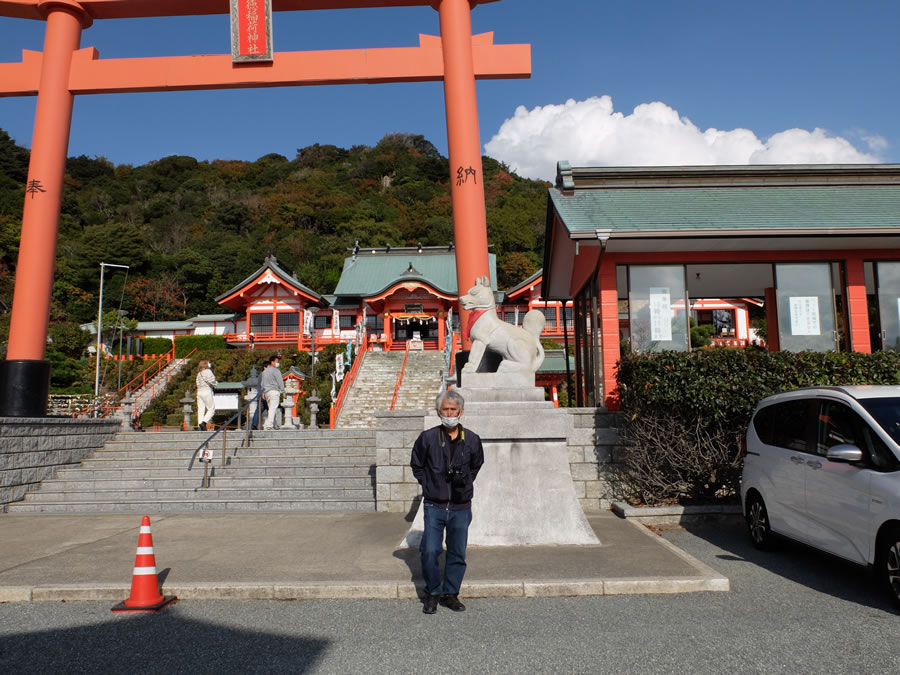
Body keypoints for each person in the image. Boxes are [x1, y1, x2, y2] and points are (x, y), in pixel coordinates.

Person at [410, 389, 484, 614]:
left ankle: (451, 593)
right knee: (430, 550)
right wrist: (430, 484)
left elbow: (476, 465)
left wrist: (464, 481)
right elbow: (417, 465)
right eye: (445, 409)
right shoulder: (428, 438)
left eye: (453, 409)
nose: (449, 413)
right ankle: (432, 592)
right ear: (438, 412)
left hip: (461, 505)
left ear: (461, 412)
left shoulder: (471, 439)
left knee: (457, 552)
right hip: (435, 504)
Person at [260, 354, 284, 431]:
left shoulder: (264, 372)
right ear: (272, 362)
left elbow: (262, 383)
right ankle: (269, 425)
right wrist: (283, 391)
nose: (278, 363)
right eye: (277, 361)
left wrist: (263, 392)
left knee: (270, 408)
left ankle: (272, 424)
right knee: (273, 408)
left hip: (267, 392)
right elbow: (280, 381)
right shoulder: (276, 371)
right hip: (274, 391)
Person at [195, 359, 217, 431]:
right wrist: (215, 384)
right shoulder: (208, 371)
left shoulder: (199, 373)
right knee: (211, 409)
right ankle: (204, 423)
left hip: (199, 392)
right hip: (207, 391)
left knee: (201, 409)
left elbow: (197, 383)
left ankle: (199, 425)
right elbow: (212, 381)